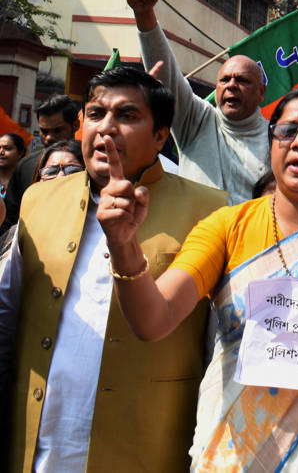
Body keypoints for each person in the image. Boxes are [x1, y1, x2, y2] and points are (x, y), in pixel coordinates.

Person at [99, 84, 298, 470]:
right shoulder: (228, 226)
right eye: (286, 130)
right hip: (233, 457)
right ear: (271, 145)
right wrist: (124, 246)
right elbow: (153, 319)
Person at [0, 66, 227, 471]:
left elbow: (218, 345)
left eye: (127, 116)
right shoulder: (38, 199)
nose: (106, 129)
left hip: (147, 444)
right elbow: (7, 314)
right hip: (38, 444)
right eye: (96, 114)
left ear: (161, 135)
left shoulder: (209, 210)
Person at [126, 0, 269, 204]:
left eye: (242, 80)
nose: (231, 85)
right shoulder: (196, 121)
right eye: (224, 80)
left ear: (261, 93)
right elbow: (168, 73)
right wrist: (144, 14)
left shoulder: (277, 138)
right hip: (195, 240)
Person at [2, 95, 79, 230]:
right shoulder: (26, 166)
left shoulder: (91, 164)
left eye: (58, 130)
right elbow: (10, 218)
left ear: (75, 126)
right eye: (44, 131)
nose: (49, 137)